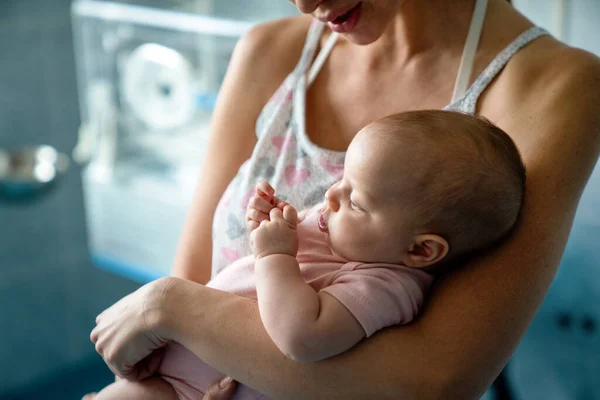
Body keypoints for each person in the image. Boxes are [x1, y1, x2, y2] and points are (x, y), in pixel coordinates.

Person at [86, 0, 600, 398]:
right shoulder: (270, 52)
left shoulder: (555, 87)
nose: (304, 3)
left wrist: (170, 306)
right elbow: (189, 287)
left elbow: (430, 383)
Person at [87, 110, 526, 399]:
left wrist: (275, 254)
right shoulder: (350, 232)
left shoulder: (385, 285)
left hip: (195, 389)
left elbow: (301, 336)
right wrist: (269, 220)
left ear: (420, 249)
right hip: (178, 369)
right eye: (344, 180)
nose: (332, 195)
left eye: (356, 200)